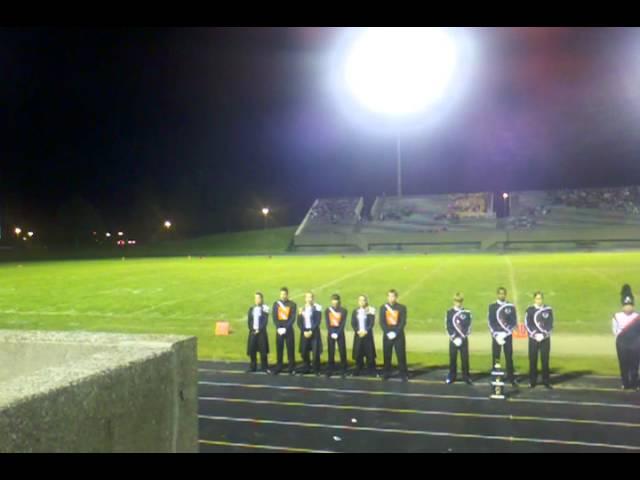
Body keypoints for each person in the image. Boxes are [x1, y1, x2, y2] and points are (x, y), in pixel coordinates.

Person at [488, 287, 518, 386]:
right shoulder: (492, 307)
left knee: (509, 357)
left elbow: (514, 322)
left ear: (506, 294)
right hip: (496, 336)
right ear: (497, 294)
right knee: (496, 358)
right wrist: (496, 335)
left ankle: (511, 378)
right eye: (500, 293)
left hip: (507, 335)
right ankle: (495, 377)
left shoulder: (511, 306)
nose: (502, 295)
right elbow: (490, 322)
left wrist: (506, 332)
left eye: (503, 293)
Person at [612, 284, 640, 390]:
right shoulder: (617, 316)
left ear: (633, 305)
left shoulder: (637, 317)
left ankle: (633, 382)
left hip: (635, 343)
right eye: (626, 305)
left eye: (630, 305)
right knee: (623, 363)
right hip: (623, 343)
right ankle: (625, 382)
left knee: (634, 364)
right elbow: (615, 330)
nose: (628, 308)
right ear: (622, 305)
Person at [525, 291, 554, 389]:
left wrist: (544, 334)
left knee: (545, 360)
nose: (539, 300)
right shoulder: (530, 310)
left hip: (545, 339)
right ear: (534, 299)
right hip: (533, 339)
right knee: (533, 360)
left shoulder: (548, 309)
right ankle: (532, 381)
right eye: (537, 298)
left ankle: (546, 381)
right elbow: (527, 324)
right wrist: (534, 334)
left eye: (540, 298)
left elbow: (550, 324)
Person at [379, 289, 408, 381]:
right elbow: (382, 322)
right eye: (390, 296)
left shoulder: (402, 308)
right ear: (387, 297)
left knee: (401, 355)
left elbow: (403, 322)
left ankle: (403, 374)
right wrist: (388, 332)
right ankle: (386, 373)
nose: (391, 298)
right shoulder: (383, 308)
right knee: (387, 355)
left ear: (396, 297)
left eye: (393, 296)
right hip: (387, 335)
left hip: (399, 335)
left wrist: (395, 332)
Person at [445, 292, 473, 385]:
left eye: (460, 301)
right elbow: (448, 326)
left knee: (465, 359)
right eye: (457, 301)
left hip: (463, 340)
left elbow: (468, 326)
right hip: (453, 340)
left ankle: (466, 377)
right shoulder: (449, 312)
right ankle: (451, 376)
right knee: (452, 359)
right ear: (454, 301)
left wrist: (462, 337)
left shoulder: (467, 312)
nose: (458, 303)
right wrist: (454, 337)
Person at [272, 287, 297, 375]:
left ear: (287, 295)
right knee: (279, 348)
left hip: (289, 330)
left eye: (284, 294)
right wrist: (278, 327)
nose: (283, 296)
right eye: (281, 294)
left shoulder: (292, 304)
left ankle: (291, 367)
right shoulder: (276, 304)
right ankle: (279, 366)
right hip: (279, 330)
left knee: (290, 349)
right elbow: (274, 317)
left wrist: (285, 328)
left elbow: (292, 318)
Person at [298, 291, 323, 375]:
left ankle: (316, 369)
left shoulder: (317, 308)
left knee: (315, 352)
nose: (309, 299)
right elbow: (299, 322)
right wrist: (304, 331)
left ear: (313, 298)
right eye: (307, 297)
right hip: (304, 332)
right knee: (304, 351)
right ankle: (307, 367)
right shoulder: (301, 309)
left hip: (314, 332)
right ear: (305, 299)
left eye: (310, 297)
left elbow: (317, 321)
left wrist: (311, 331)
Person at [351, 294, 377, 376]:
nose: (362, 302)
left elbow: (371, 323)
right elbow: (353, 323)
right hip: (358, 335)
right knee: (358, 353)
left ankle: (371, 371)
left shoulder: (371, 310)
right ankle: (358, 369)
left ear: (366, 301)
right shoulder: (355, 311)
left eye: (363, 300)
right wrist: (358, 331)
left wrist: (366, 331)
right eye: (360, 300)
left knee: (370, 354)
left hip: (367, 335)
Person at [246, 292, 271, 373]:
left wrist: (259, 330)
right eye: (255, 298)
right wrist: (252, 329)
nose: (256, 300)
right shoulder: (251, 309)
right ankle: (253, 367)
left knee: (263, 351)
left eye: (258, 298)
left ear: (261, 299)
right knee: (252, 350)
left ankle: (265, 367)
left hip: (261, 333)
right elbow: (249, 321)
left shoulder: (265, 308)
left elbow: (265, 321)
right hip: (253, 332)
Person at [325, 293, 348, 377]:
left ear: (339, 301)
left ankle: (344, 368)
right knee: (331, 351)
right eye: (333, 301)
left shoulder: (343, 310)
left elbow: (343, 323)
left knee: (342, 350)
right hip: (331, 333)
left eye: (336, 300)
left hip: (340, 333)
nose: (334, 302)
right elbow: (327, 323)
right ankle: (331, 367)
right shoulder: (328, 310)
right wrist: (331, 332)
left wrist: (337, 333)